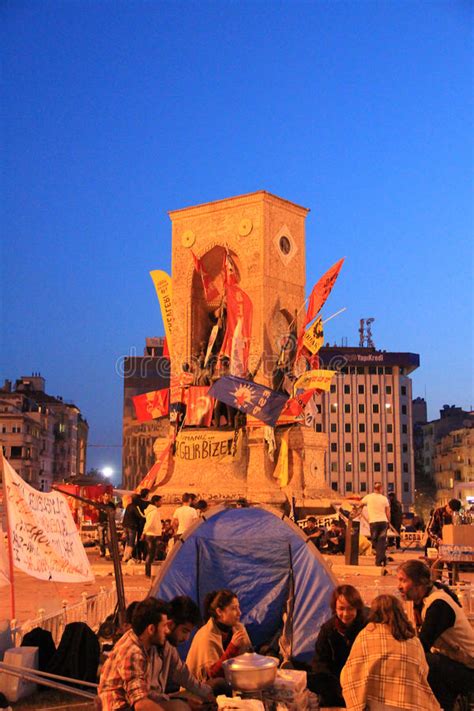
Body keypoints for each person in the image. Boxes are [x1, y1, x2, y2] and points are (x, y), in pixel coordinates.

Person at [341, 594, 441, 710]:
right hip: (410, 701)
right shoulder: (413, 640)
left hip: (376, 703)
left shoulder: (366, 635)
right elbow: (423, 671)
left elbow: (350, 672)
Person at [397, 559, 474, 711]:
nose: (399, 587)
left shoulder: (438, 605)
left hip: (469, 670)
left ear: (419, 583)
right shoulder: (423, 601)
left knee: (423, 660)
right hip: (455, 664)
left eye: (403, 581)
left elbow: (421, 646)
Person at [98, 597, 173, 710]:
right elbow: (140, 704)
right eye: (164, 626)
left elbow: (142, 691)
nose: (167, 631)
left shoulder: (136, 639)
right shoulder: (133, 652)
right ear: (151, 629)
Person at [149, 596, 214, 707]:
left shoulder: (168, 647)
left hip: (158, 699)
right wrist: (181, 700)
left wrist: (209, 694)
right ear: (170, 624)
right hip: (140, 705)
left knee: (213, 688)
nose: (186, 638)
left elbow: (183, 675)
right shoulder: (147, 645)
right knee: (180, 707)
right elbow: (143, 698)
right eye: (184, 631)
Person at [309, 584, 367, 707]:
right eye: (341, 609)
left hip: (361, 685)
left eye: (350, 609)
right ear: (335, 609)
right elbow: (320, 662)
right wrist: (336, 687)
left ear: (357, 608)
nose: (346, 614)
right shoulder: (328, 630)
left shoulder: (366, 629)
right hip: (335, 686)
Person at [186, 589, 251, 684]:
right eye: (234, 608)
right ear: (219, 612)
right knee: (219, 683)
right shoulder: (207, 636)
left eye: (238, 608)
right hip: (200, 689)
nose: (239, 613)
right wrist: (232, 647)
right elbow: (213, 675)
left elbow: (248, 659)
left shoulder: (238, 628)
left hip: (230, 681)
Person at [360, 482, 390, 566]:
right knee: (382, 541)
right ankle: (382, 557)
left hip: (373, 522)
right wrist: (389, 521)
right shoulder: (384, 499)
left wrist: (360, 510)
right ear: (381, 489)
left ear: (374, 488)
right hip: (383, 522)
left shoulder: (368, 497)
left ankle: (379, 561)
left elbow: (360, 504)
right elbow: (388, 512)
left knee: (375, 541)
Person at [143, 495, 163, 578]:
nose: (161, 502)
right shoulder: (154, 512)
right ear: (156, 502)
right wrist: (144, 532)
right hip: (152, 535)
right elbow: (149, 523)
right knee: (151, 554)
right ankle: (148, 572)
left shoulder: (153, 511)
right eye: (160, 501)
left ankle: (150, 572)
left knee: (152, 554)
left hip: (152, 534)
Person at [122, 495, 145, 563]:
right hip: (132, 527)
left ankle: (124, 556)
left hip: (125, 526)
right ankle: (127, 557)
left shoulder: (128, 506)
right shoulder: (134, 507)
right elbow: (140, 516)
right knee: (131, 543)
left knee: (127, 542)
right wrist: (146, 516)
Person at [98, 491, 116, 559]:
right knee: (101, 539)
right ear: (103, 497)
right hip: (101, 523)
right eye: (105, 496)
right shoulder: (100, 504)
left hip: (109, 523)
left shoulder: (111, 505)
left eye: (108, 496)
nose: (107, 497)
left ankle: (111, 552)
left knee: (110, 539)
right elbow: (97, 512)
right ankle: (102, 552)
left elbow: (114, 512)